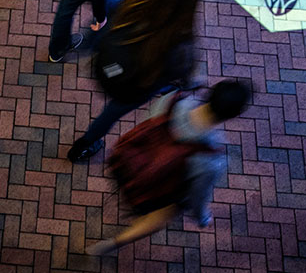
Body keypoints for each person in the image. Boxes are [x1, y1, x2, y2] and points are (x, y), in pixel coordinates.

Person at [87, 80, 253, 255]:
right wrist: (202, 217)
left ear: (210, 94)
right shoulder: (211, 156)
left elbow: (147, 126)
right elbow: (198, 194)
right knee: (165, 213)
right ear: (231, 116)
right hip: (153, 187)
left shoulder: (172, 101)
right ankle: (112, 244)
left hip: (128, 162)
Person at [67, 0, 202, 162]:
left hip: (106, 67)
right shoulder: (178, 46)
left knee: (110, 114)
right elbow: (176, 74)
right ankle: (85, 143)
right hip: (133, 88)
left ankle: (83, 147)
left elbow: (108, 16)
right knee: (112, 113)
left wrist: (92, 43)